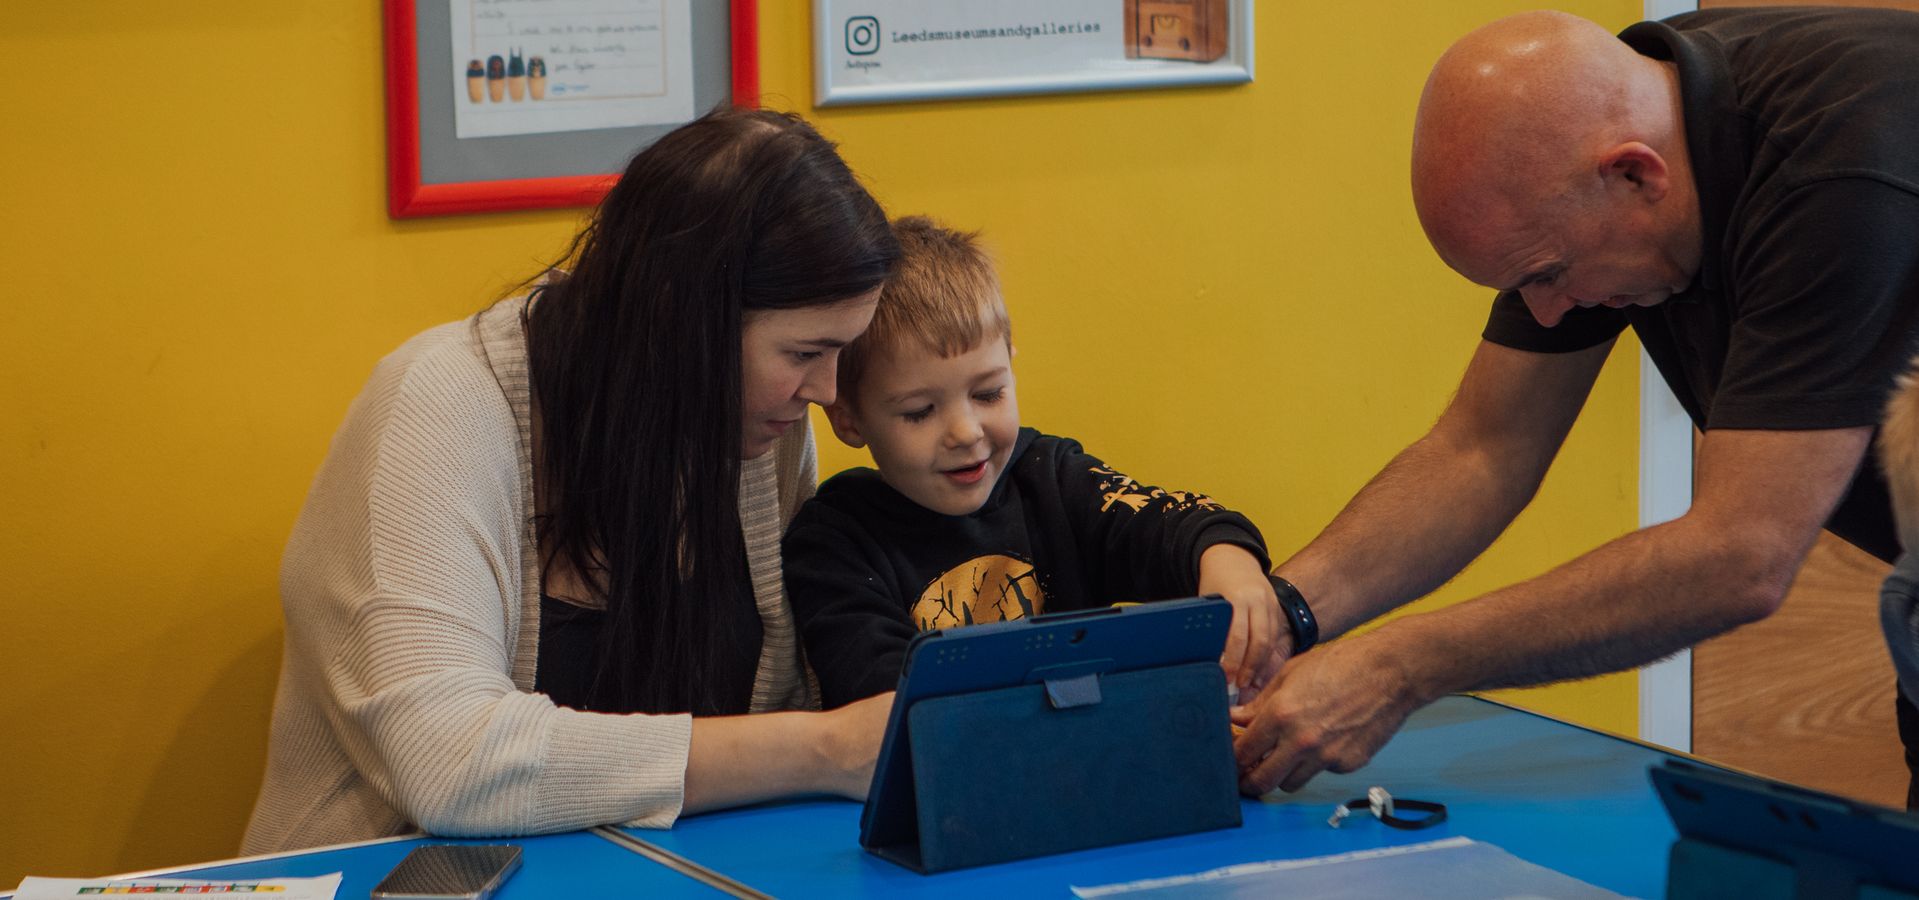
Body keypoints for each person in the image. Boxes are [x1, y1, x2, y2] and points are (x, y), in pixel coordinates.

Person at [1231, 7, 1919, 806]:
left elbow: (1738, 554)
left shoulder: (1837, 169)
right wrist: (1283, 614)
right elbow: (1483, 449)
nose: (1551, 314)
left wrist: (1395, 668)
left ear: (1635, 175)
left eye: (1547, 273)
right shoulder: (1611, 132)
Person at [241, 108, 903, 854]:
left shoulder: (758, 423)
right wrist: (822, 748)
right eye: (806, 352)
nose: (826, 389)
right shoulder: (439, 404)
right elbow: (448, 760)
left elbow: (785, 693)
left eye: (842, 351)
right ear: (677, 321)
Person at [783, 216, 1297, 709]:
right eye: (920, 412)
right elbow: (886, 701)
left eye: (988, 394)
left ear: (1011, 362)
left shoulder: (1051, 477)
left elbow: (1176, 523)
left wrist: (1230, 565)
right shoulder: (834, 541)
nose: (966, 433)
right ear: (848, 419)